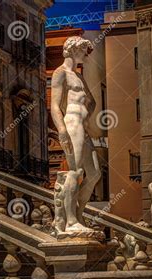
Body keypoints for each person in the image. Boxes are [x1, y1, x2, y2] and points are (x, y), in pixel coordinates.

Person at [50, 36, 101, 232]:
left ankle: (78, 213)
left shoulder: (78, 76)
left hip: (83, 126)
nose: (85, 55)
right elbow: (54, 105)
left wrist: (86, 116)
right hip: (72, 125)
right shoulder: (59, 73)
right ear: (72, 50)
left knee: (95, 173)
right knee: (75, 171)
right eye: (82, 50)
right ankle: (70, 220)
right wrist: (62, 129)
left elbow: (93, 101)